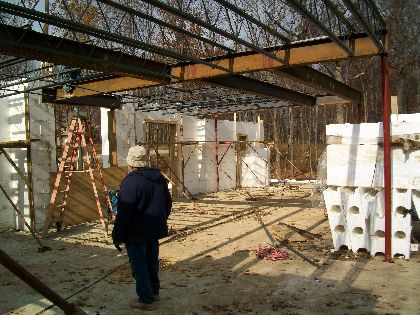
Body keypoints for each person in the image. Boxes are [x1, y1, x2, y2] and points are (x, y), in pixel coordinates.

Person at [112, 145, 172, 310]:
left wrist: (117, 236)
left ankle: (146, 300)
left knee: (139, 265)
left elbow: (123, 214)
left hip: (136, 234)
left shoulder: (130, 183)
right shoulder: (159, 178)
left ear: (131, 163)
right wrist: (160, 220)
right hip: (154, 231)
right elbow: (167, 203)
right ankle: (154, 292)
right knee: (152, 262)